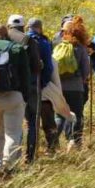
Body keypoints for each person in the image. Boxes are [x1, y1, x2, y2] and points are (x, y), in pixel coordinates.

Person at [0, 24, 32, 170]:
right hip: (14, 95)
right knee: (12, 133)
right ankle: (7, 165)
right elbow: (26, 75)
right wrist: (25, 96)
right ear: (7, 34)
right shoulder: (17, 48)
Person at [6, 15, 44, 162]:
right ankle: (30, 156)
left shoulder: (3, 39)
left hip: (10, 87)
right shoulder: (30, 41)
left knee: (12, 124)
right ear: (23, 27)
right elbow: (36, 66)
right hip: (31, 85)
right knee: (32, 121)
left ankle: (13, 156)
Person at [55, 16, 91, 150]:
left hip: (60, 88)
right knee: (77, 115)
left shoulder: (59, 46)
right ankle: (75, 142)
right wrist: (82, 79)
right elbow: (86, 69)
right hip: (76, 88)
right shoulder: (80, 48)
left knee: (60, 116)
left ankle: (52, 143)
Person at [28, 18, 58, 154]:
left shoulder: (21, 41)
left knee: (30, 122)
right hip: (41, 87)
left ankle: (31, 150)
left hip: (26, 88)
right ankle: (52, 147)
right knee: (48, 119)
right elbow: (49, 67)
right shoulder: (44, 42)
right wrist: (44, 83)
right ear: (40, 28)